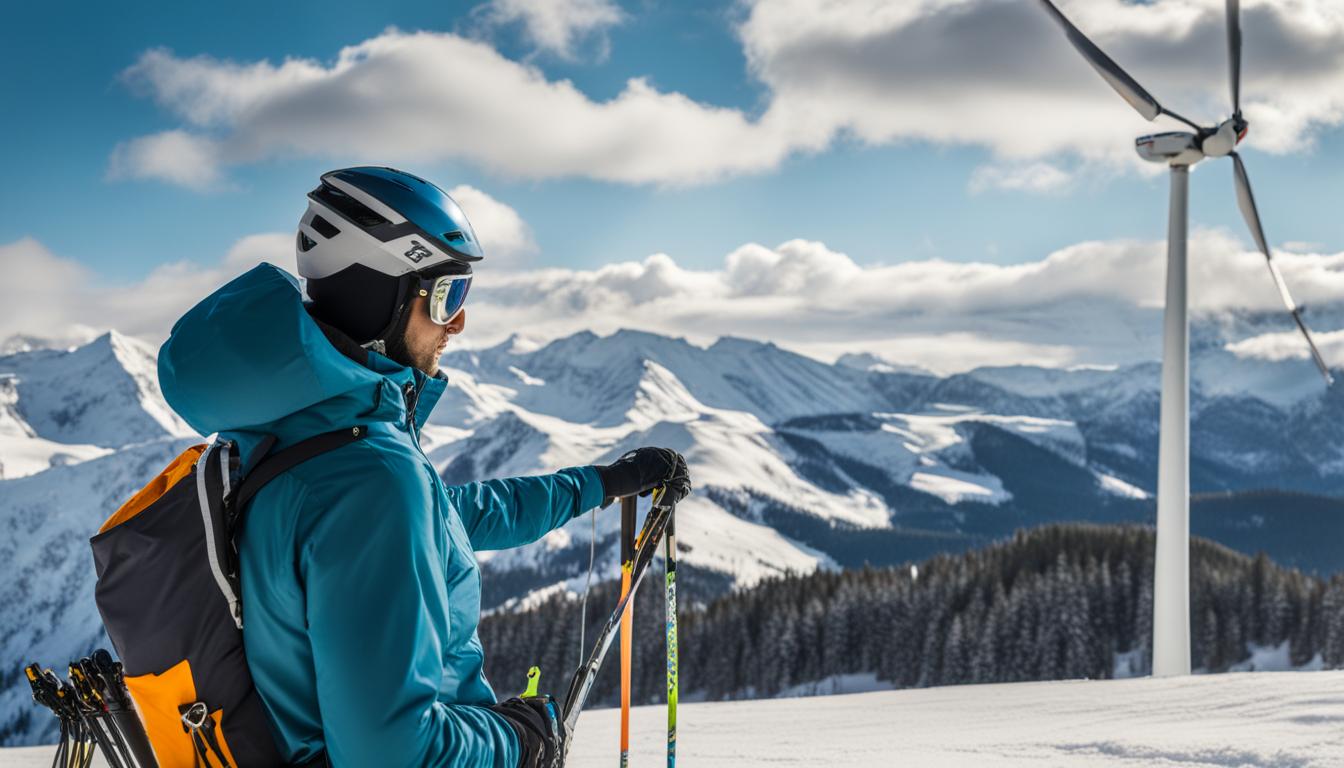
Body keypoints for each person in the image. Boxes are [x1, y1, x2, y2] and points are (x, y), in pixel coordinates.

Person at [156, 167, 691, 767]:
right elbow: (392, 753)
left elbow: (452, 517)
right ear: (381, 298)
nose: (458, 323)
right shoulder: (370, 479)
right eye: (446, 296)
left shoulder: (298, 435)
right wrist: (516, 740)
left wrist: (602, 484)